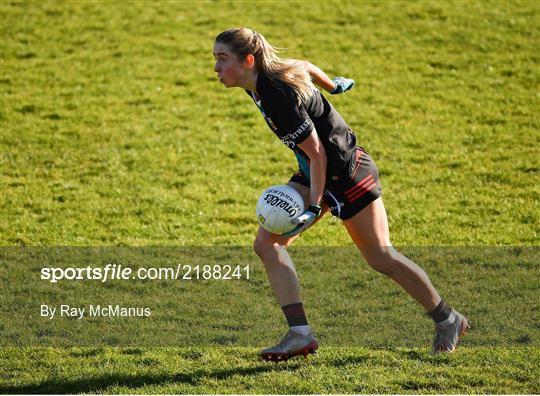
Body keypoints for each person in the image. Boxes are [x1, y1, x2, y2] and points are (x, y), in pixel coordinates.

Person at [213, 27, 469, 362]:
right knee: (267, 243)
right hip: (315, 172)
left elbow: (318, 153)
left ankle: (448, 319)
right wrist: (334, 85)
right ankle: (299, 334)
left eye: (222, 59)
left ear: (248, 60)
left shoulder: (277, 97)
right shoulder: (261, 80)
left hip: (347, 175)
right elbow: (304, 66)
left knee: (381, 258)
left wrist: (314, 206)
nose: (216, 68)